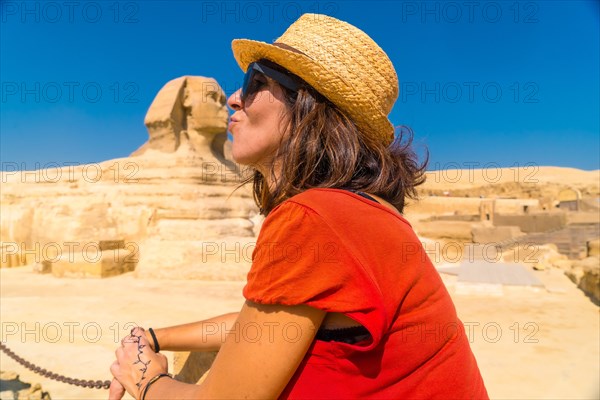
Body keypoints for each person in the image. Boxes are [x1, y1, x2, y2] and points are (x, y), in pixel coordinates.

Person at [109, 13, 489, 399]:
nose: (233, 98)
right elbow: (260, 325)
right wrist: (154, 338)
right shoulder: (362, 212)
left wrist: (146, 380)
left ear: (307, 105)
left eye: (255, 82)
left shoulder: (314, 217)